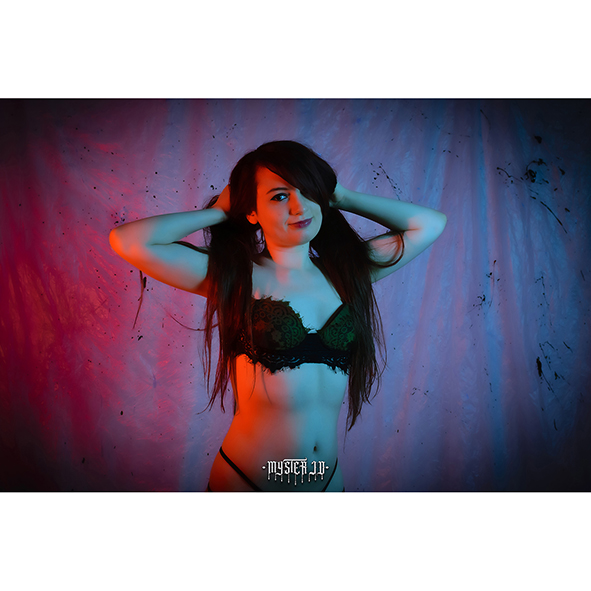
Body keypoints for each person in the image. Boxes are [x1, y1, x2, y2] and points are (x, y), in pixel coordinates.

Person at [109, 140, 446, 492]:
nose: (300, 207)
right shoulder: (236, 277)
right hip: (249, 481)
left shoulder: (349, 273)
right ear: (252, 211)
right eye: (280, 196)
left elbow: (430, 225)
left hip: (326, 481)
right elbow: (129, 241)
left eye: (308, 191)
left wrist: (342, 196)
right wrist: (220, 212)